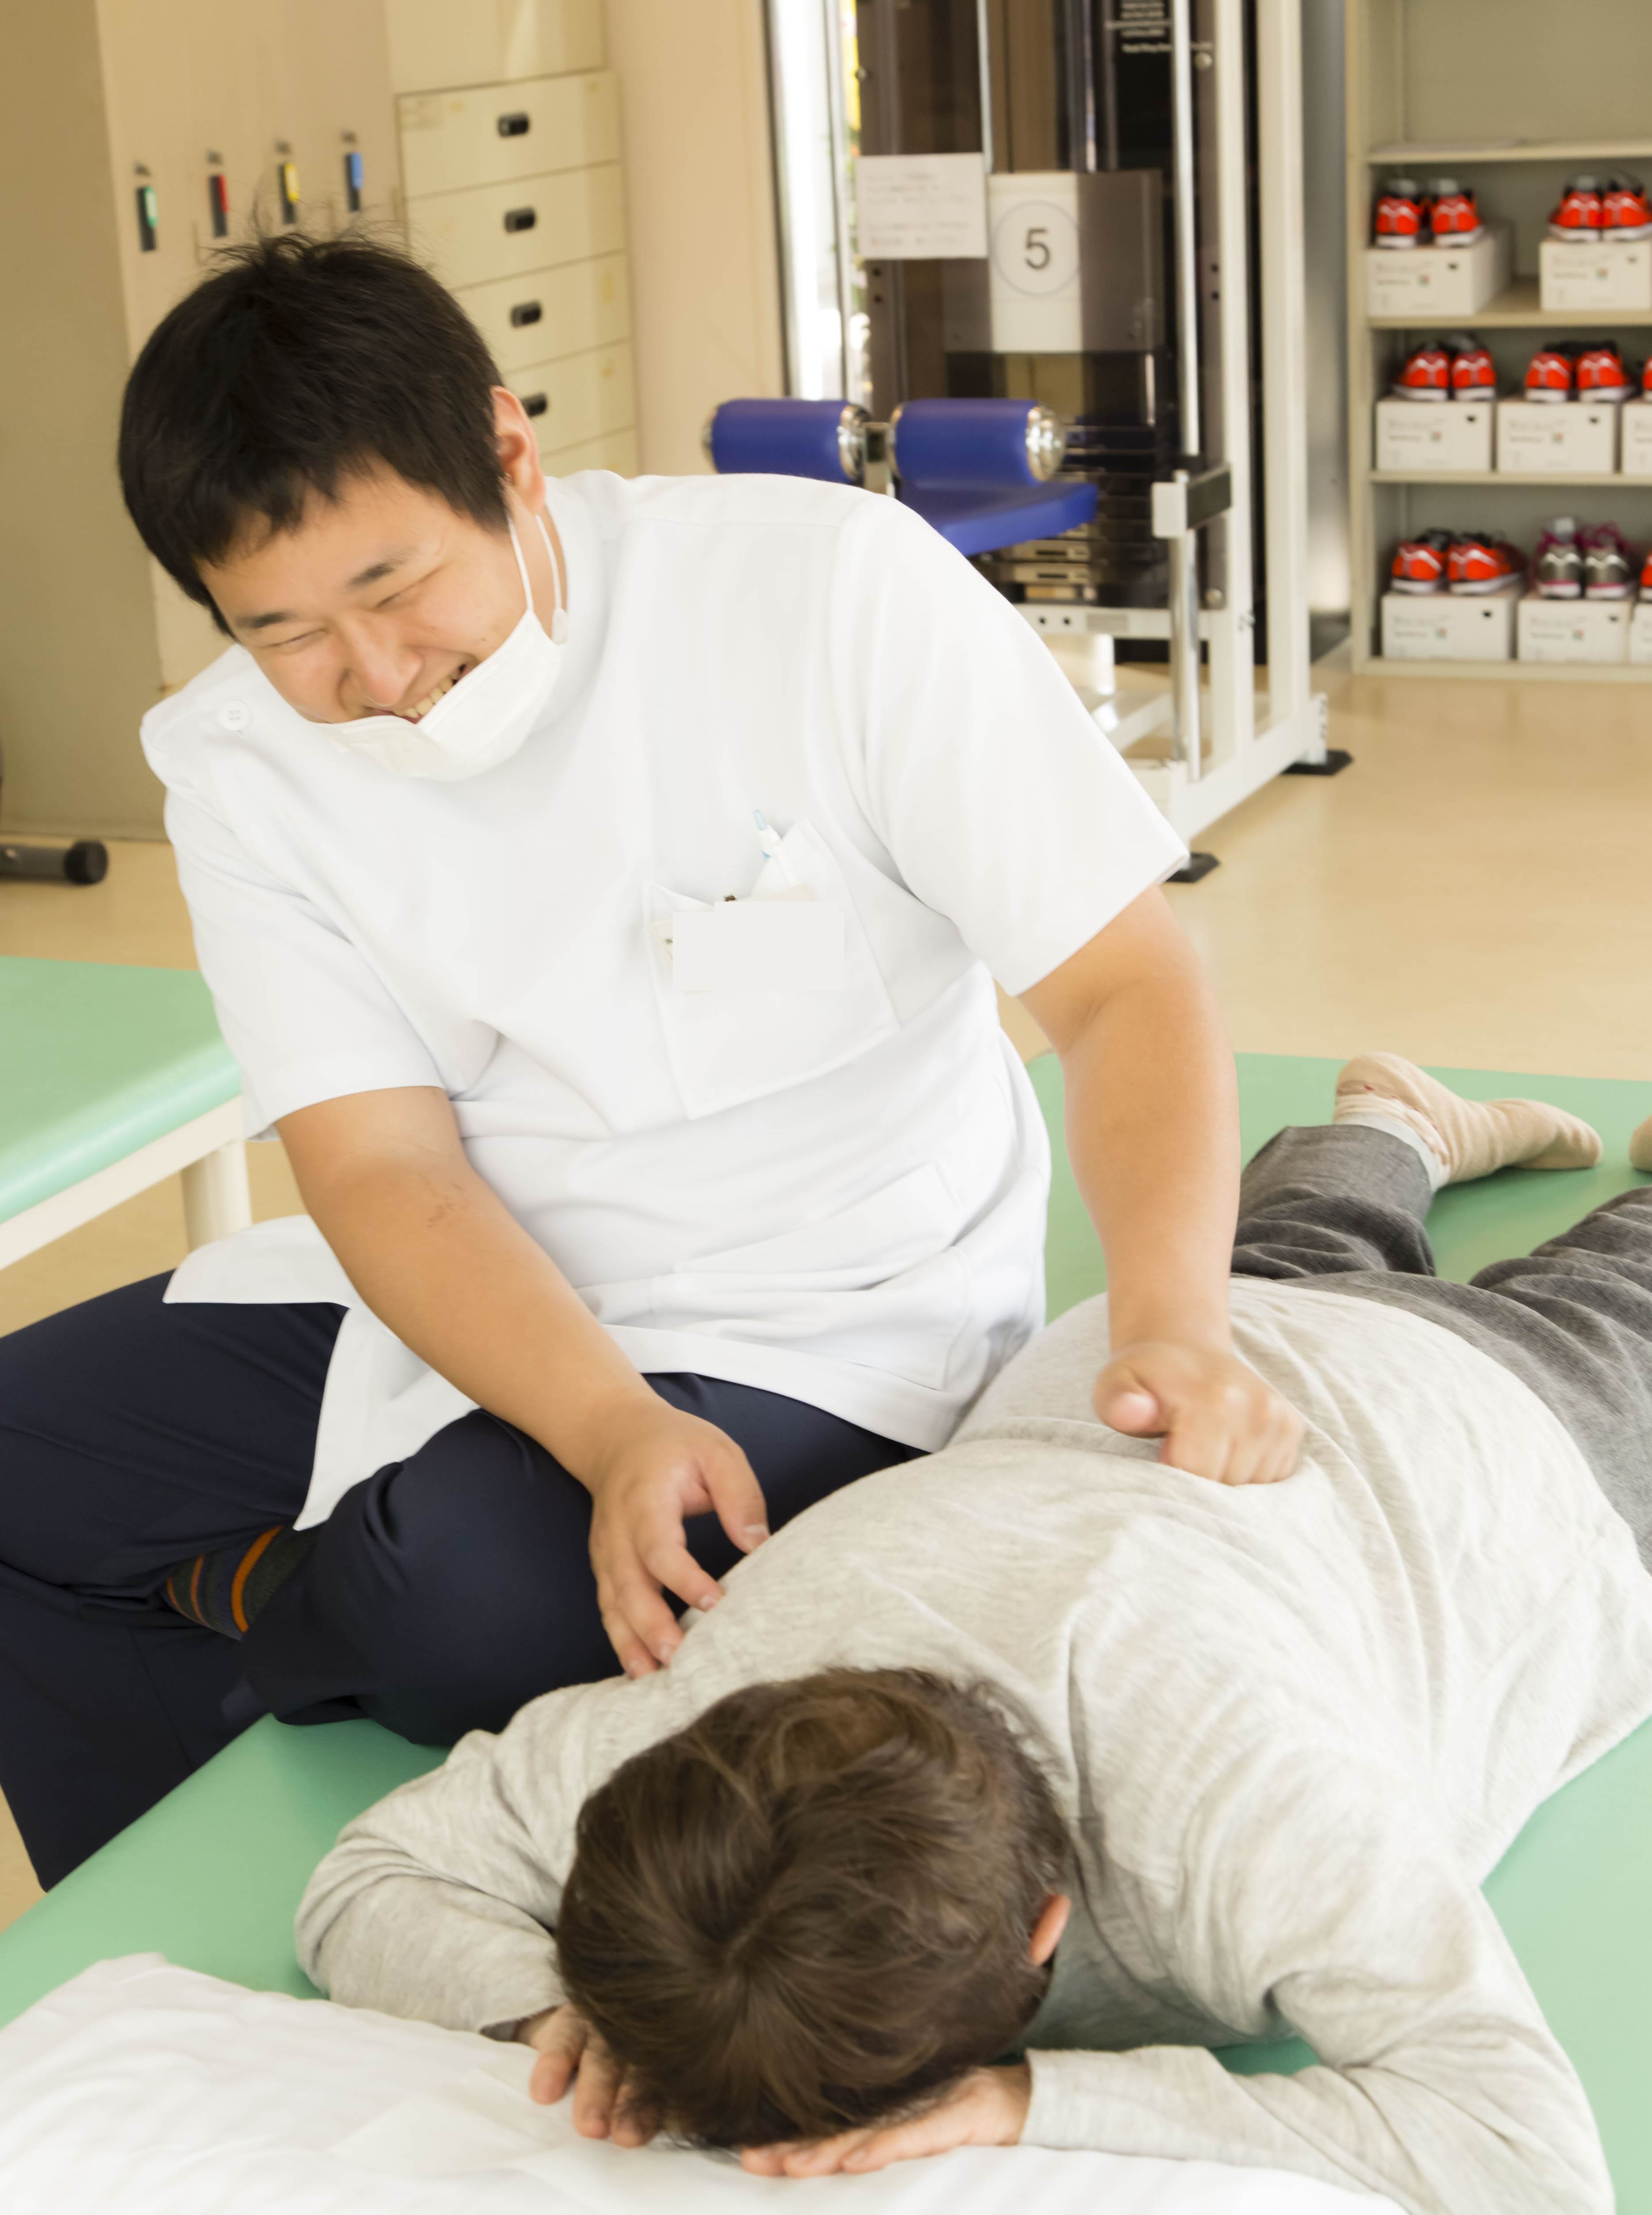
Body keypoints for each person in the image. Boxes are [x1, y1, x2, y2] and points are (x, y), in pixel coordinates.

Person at [0, 232, 1302, 1887]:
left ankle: (290, 1621)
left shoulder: (828, 592)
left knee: (448, 1604)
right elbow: (381, 1166)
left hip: (837, 1314)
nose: (376, 678)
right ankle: (156, 1929)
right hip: (481, 1280)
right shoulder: (241, 764)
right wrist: (606, 1425)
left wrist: (1172, 1323)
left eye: (395, 589)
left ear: (509, 452)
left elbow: (1122, 987)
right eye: (285, 631)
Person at [297, 1055, 1652, 2215]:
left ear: (1046, 1932)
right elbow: (367, 1879)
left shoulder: (1245, 1808)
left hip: (1463, 1429)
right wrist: (561, 2012)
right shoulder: (674, 1735)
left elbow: (1526, 2155)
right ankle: (1390, 1125)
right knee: (1282, 1266)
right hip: (1162, 1377)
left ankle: (1411, 1144)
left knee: (1609, 1296)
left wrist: (1026, 2105)